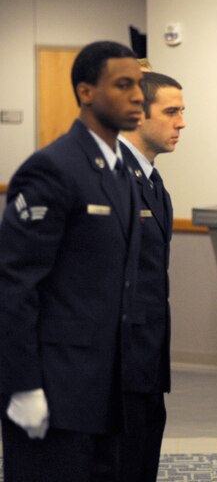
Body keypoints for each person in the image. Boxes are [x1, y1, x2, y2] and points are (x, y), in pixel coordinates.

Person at [0, 41, 143, 480]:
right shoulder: (52, 169)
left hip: (104, 388)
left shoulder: (120, 171)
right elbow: (14, 284)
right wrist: (23, 385)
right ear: (86, 92)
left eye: (138, 84)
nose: (138, 95)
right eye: (123, 85)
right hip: (55, 390)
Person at [117, 71, 185, 481]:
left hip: (147, 357)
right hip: (118, 361)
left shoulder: (154, 183)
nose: (181, 122)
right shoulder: (112, 180)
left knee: (143, 458)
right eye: (172, 111)